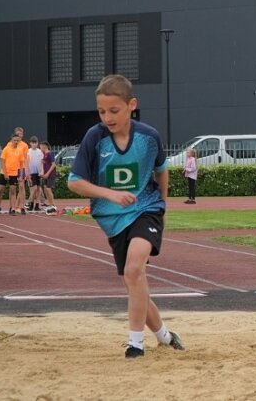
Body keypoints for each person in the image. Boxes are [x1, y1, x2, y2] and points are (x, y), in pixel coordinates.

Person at [67, 74, 185, 359]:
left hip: (146, 210)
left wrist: (163, 206)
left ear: (132, 105)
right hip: (113, 221)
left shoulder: (149, 136)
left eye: (114, 110)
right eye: (101, 111)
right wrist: (110, 194)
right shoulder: (95, 138)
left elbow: (161, 169)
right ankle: (165, 336)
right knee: (135, 281)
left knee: (134, 270)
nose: (107, 117)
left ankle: (135, 343)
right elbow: (73, 181)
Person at [0, 132, 26, 215]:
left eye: (18, 140)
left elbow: (21, 164)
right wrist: (5, 173)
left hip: (14, 173)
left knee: (13, 190)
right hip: (4, 172)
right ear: (11, 140)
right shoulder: (7, 149)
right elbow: (2, 161)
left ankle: (12, 208)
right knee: (0, 190)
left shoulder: (20, 150)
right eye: (14, 140)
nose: (16, 142)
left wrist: (21, 175)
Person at [39, 141, 58, 214]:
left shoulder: (50, 154)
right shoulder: (44, 155)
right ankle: (50, 204)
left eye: (41, 146)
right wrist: (42, 173)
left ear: (45, 146)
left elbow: (53, 165)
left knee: (48, 189)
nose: (40, 148)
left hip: (51, 175)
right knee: (45, 188)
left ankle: (53, 205)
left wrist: (47, 173)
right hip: (45, 175)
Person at [26, 136, 44, 212]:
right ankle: (30, 203)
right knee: (34, 188)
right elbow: (26, 164)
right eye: (33, 143)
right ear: (30, 143)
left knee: (38, 189)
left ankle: (37, 204)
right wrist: (27, 173)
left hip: (38, 173)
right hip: (31, 172)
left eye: (36, 142)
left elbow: (42, 163)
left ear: (37, 143)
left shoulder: (40, 152)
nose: (34, 144)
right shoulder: (28, 151)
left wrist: (42, 171)